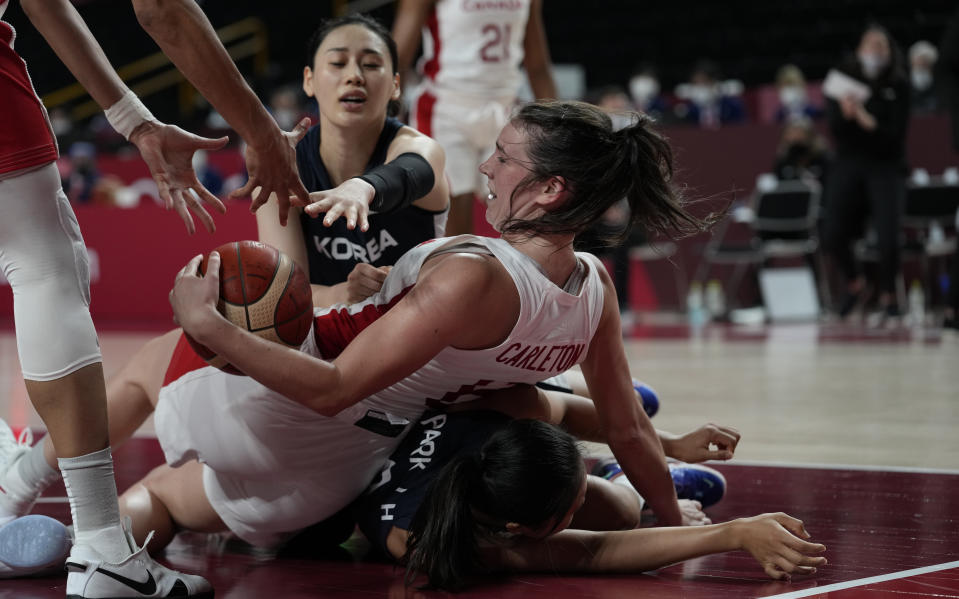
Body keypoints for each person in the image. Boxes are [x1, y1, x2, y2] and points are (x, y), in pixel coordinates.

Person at [352, 406, 824, 590]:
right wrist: (734, 533)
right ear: (519, 530)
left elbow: (572, 412)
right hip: (398, 489)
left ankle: (622, 476)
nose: (581, 509)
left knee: (620, 509)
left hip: (487, 420)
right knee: (619, 518)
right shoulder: (432, 545)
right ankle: (628, 484)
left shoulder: (502, 417)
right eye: (573, 508)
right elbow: (595, 550)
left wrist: (671, 443)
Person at [257, 15, 449, 308]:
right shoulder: (283, 166)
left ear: (395, 85)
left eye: (371, 64)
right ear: (309, 81)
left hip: (418, 329)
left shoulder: (417, 147)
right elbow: (284, 295)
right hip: (323, 336)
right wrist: (343, 294)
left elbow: (415, 171)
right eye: (337, 63)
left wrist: (363, 187)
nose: (354, 75)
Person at [392, 0, 556, 236]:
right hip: (446, 111)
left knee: (525, 224)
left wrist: (561, 127)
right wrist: (387, 125)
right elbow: (398, 59)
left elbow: (538, 66)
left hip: (505, 111)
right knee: (454, 234)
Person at [821, 24, 910, 320]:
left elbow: (893, 135)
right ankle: (855, 282)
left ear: (889, 51)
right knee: (832, 232)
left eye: (880, 45)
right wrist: (848, 117)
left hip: (886, 165)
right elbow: (834, 129)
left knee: (888, 237)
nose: (874, 51)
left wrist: (866, 119)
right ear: (859, 51)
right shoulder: (843, 82)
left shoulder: (898, 85)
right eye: (869, 45)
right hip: (849, 162)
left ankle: (888, 294)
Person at [908, 40, 939, 114]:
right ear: (912, 62)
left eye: (926, 61)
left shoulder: (939, 85)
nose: (922, 64)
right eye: (919, 60)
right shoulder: (904, 83)